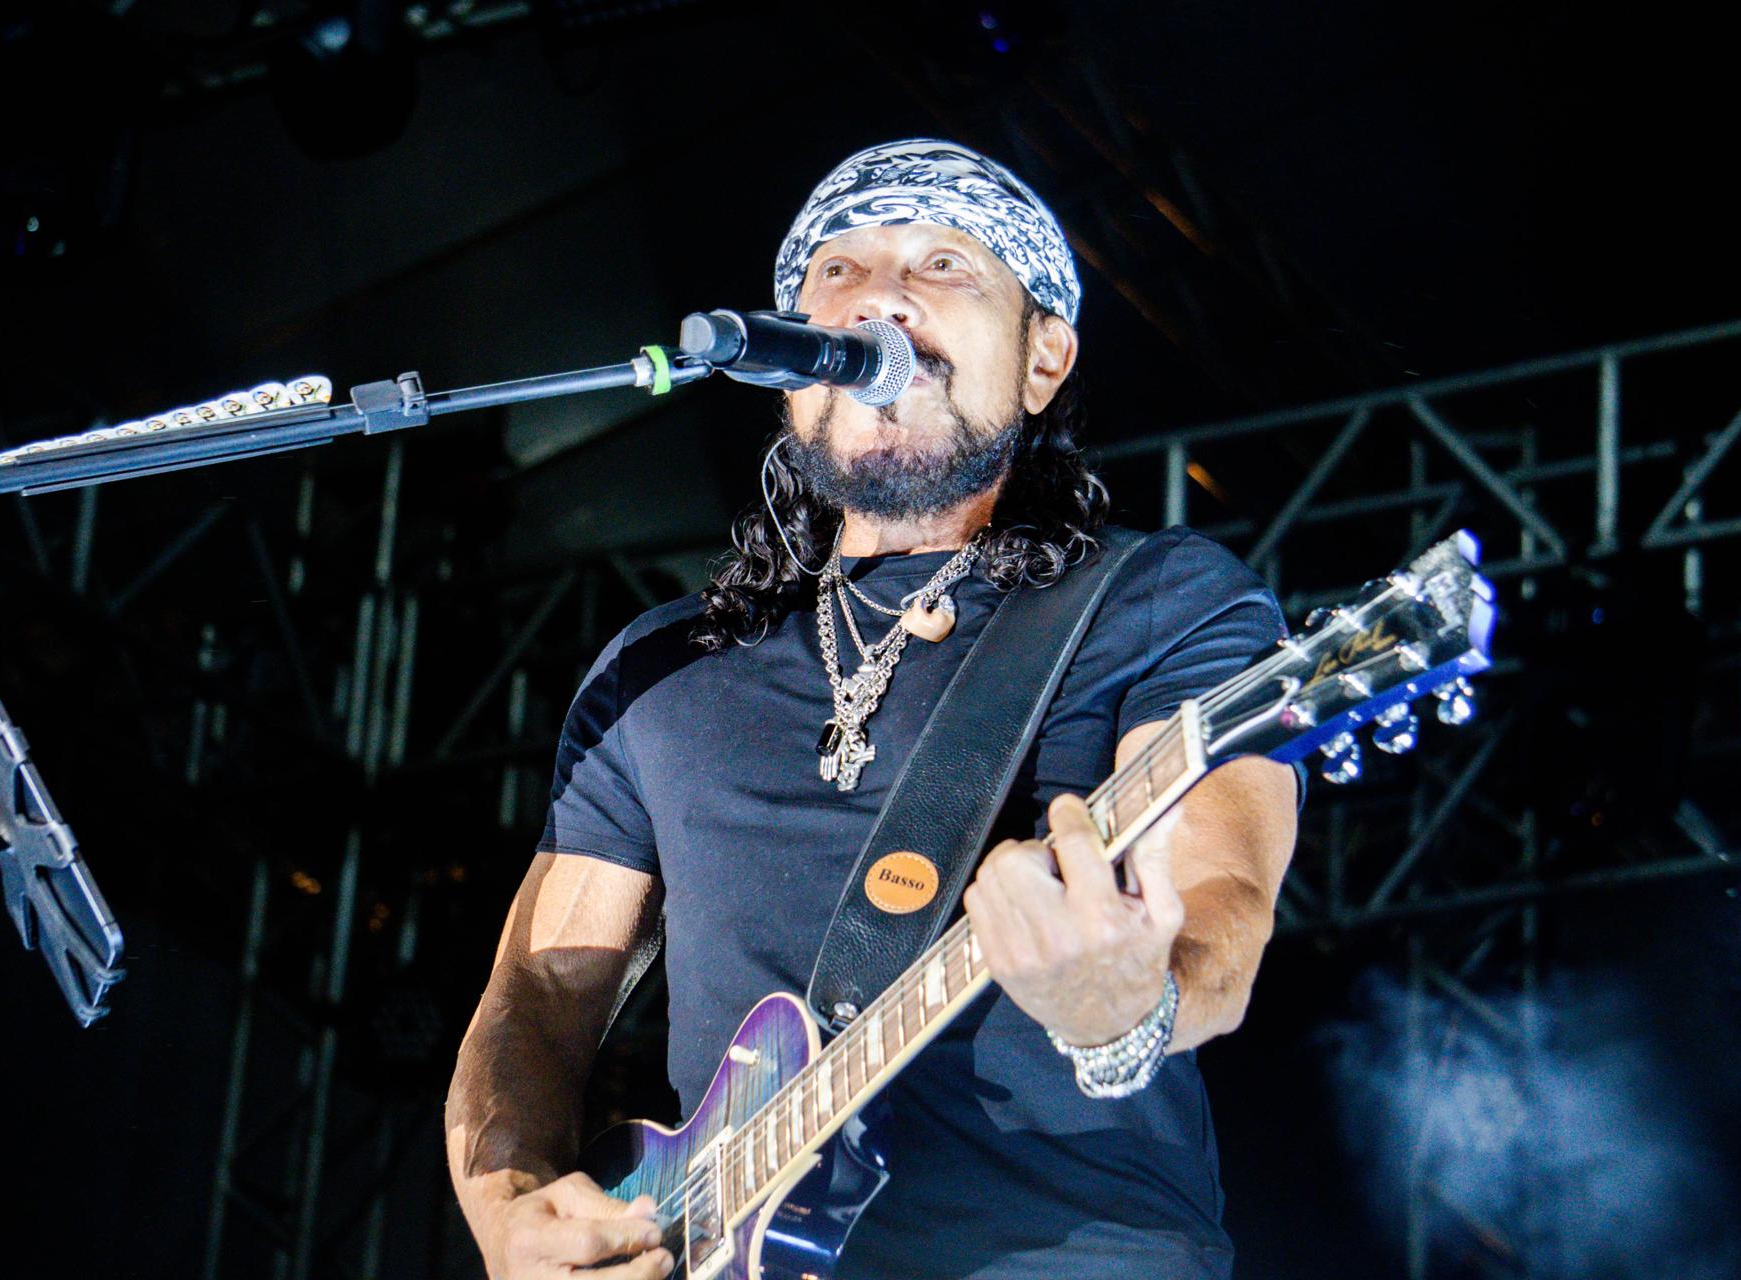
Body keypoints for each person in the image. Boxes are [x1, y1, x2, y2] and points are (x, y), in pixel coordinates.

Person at [445, 139, 1299, 1279]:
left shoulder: (1156, 601)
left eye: (944, 265)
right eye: (837, 271)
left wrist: (1128, 1006)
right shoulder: (661, 669)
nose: (881, 297)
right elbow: (541, 991)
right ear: (790, 367)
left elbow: (1224, 903)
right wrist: (509, 1213)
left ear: (1044, 358)